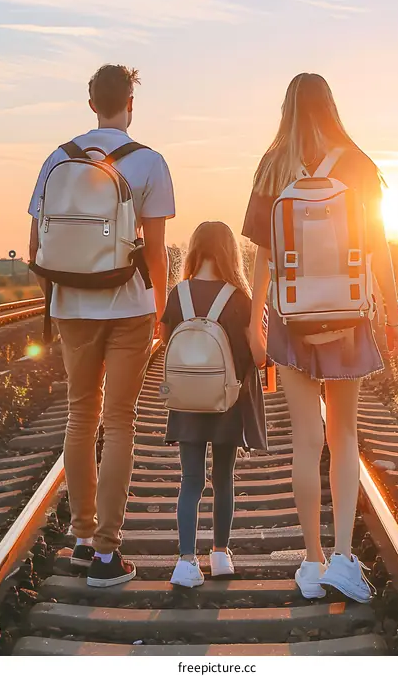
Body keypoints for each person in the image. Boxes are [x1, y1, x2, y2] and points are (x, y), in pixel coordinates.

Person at [242, 73, 398, 603]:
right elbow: (377, 247)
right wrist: (394, 314)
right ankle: (341, 556)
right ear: (331, 107)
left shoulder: (273, 167)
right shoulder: (357, 164)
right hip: (347, 316)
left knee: (305, 441)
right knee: (344, 437)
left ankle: (311, 562)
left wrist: (256, 317)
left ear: (286, 109)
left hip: (291, 317)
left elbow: (262, 253)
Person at [27, 64, 175, 588]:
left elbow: (35, 247)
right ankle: (110, 554)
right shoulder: (149, 163)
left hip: (71, 306)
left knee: (80, 414)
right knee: (121, 421)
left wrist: (64, 294)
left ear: (91, 102)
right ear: (130, 102)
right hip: (129, 304)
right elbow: (155, 252)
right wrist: (159, 311)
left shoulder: (56, 160)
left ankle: (84, 539)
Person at [160, 222, 267, 588]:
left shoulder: (178, 294)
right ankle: (220, 554)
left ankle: (186, 561)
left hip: (187, 402)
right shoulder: (239, 298)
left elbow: (164, 341)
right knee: (223, 479)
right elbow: (260, 356)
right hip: (227, 403)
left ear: (194, 251)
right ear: (229, 253)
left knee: (190, 481)